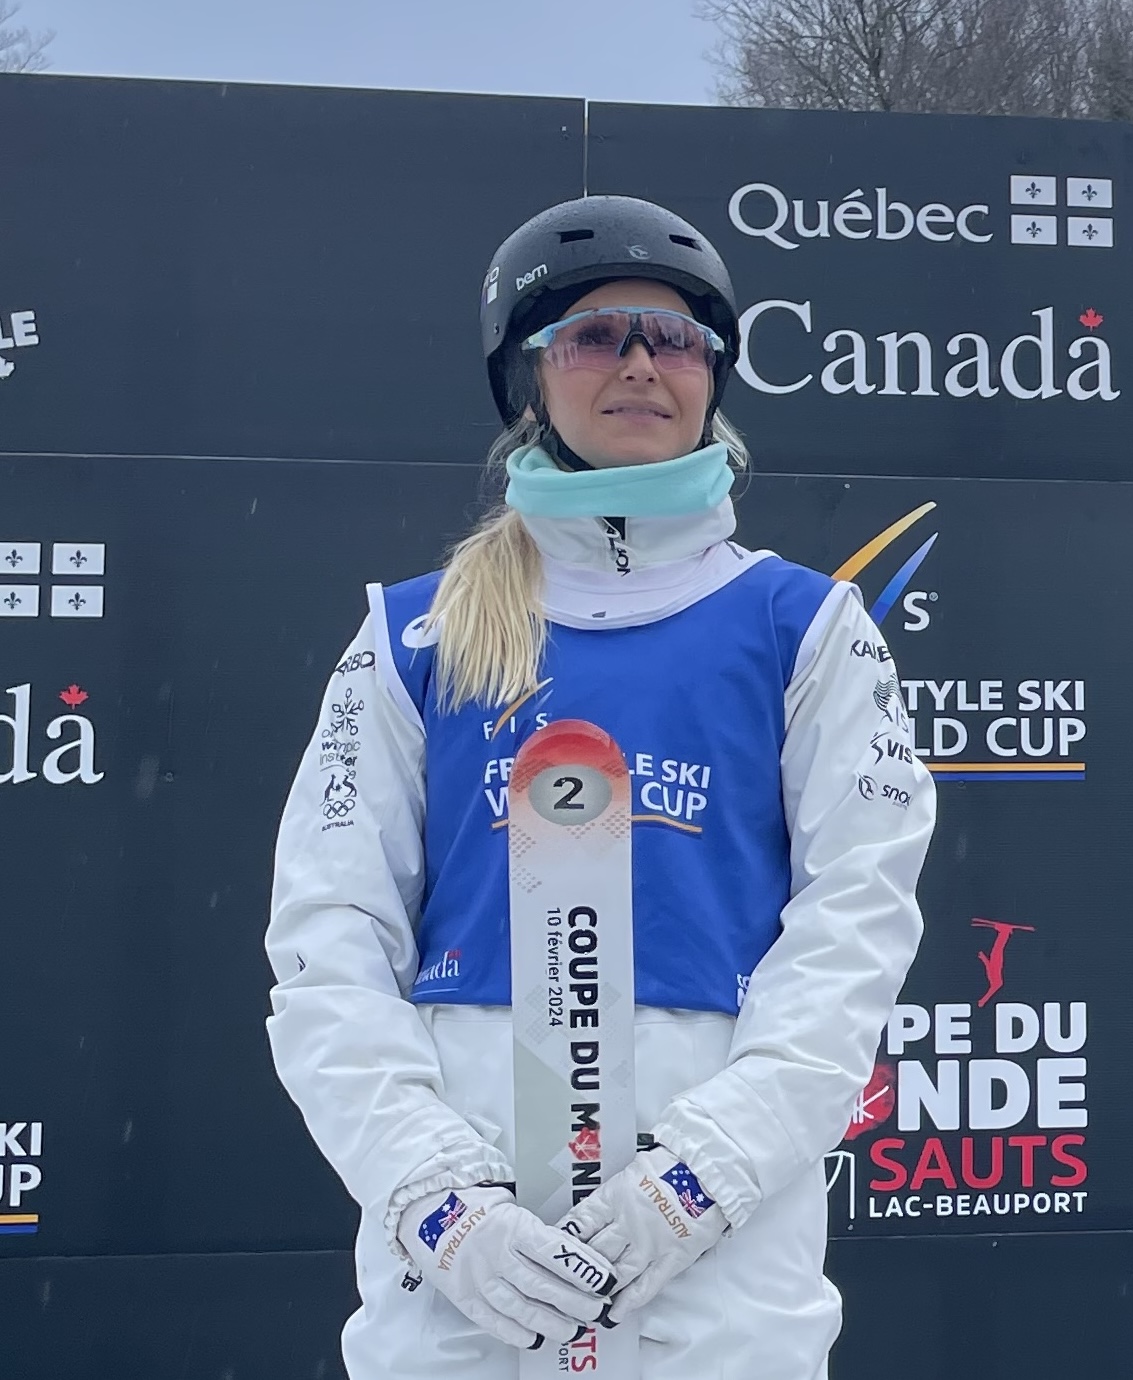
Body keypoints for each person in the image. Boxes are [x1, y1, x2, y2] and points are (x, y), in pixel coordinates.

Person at [263, 194, 934, 1379]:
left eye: (672, 338)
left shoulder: (806, 629)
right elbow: (328, 943)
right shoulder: (409, 637)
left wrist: (704, 1176)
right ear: (530, 381)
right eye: (593, 336)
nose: (638, 364)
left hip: (718, 1276)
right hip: (464, 1282)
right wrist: (433, 1199)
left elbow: (852, 938)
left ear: (714, 377)